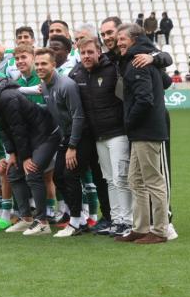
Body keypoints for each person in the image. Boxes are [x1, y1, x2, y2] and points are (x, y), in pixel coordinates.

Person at [0, 62, 55, 236]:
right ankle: (26, 219)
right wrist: (12, 154)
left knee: (32, 171)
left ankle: (43, 222)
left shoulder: (6, 97)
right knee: (13, 173)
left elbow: (19, 129)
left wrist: (24, 157)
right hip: (30, 137)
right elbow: (3, 128)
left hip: (45, 134)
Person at [71, 36, 133, 237]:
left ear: (99, 52)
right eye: (83, 53)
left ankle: (129, 220)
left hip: (117, 133)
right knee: (109, 179)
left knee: (120, 177)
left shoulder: (112, 68)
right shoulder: (77, 73)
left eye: (90, 52)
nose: (87, 56)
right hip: (98, 137)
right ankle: (116, 220)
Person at [114, 24, 170, 244]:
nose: (119, 43)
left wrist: (129, 121)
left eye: (122, 39)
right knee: (135, 179)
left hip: (145, 130)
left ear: (135, 38)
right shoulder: (142, 58)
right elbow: (164, 82)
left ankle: (159, 231)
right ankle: (140, 227)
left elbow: (144, 100)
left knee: (153, 180)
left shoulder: (137, 62)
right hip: (143, 130)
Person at [32, 44, 88, 237]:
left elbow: (78, 116)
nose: (39, 67)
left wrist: (73, 146)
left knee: (71, 177)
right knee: (59, 177)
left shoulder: (66, 85)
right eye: (37, 64)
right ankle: (77, 219)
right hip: (66, 138)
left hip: (79, 138)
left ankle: (75, 223)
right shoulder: (45, 85)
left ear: (53, 64)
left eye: (44, 64)